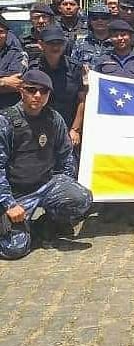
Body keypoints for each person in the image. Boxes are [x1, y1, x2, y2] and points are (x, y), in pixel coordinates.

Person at [0, 70, 93, 259]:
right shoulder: (5, 121)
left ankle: (46, 224)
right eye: (31, 90)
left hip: (45, 184)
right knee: (14, 249)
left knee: (81, 198)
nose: (37, 95)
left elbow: (66, 157)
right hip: (16, 193)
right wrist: (9, 204)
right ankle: (23, 228)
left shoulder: (54, 118)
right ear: (21, 90)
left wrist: (65, 183)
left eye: (43, 91)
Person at [93, 20, 134, 226]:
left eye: (124, 34)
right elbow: (93, 89)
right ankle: (113, 204)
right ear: (110, 37)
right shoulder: (102, 61)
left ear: (131, 37)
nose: (120, 38)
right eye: (116, 35)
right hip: (110, 122)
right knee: (113, 163)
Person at [29, 27, 86, 149]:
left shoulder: (75, 68)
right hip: (38, 128)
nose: (56, 47)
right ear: (41, 44)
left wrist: (75, 129)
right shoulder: (33, 69)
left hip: (68, 128)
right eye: (51, 43)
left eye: (59, 43)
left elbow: (81, 100)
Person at [71, 3, 113, 70]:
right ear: (89, 21)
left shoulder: (116, 43)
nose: (99, 21)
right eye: (95, 18)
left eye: (104, 18)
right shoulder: (80, 43)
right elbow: (72, 67)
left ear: (110, 20)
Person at [0, 16, 27, 110]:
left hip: (7, 110)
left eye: (1, 31)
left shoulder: (17, 54)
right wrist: (3, 81)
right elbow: (8, 84)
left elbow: (15, 85)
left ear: (7, 33)